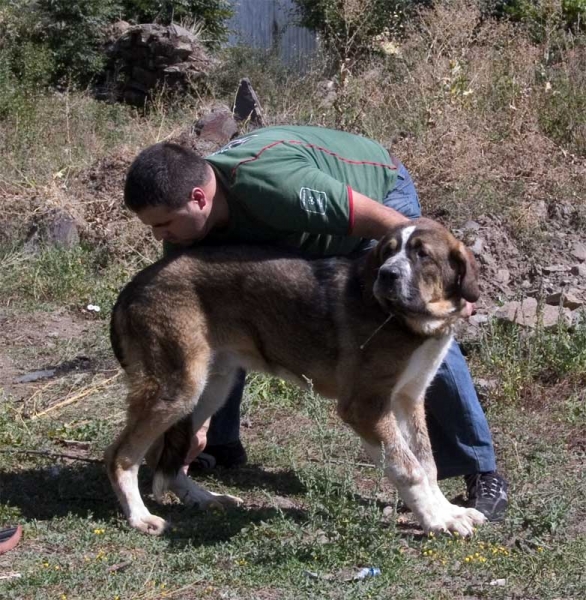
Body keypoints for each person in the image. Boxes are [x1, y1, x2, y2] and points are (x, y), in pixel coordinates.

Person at [123, 125, 508, 522]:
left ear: (199, 199)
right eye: (153, 227)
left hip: (374, 202)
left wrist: (447, 287)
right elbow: (208, 316)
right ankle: (215, 445)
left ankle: (477, 467)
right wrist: (192, 420)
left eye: (163, 225)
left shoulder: (274, 183)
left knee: (416, 325)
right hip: (294, 228)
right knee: (240, 301)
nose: (159, 237)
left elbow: (401, 232)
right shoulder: (186, 230)